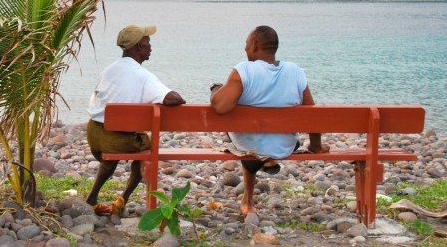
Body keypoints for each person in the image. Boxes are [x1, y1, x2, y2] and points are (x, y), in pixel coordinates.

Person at [209, 26, 329, 215]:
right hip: (285, 146)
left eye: (246, 43)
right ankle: (268, 159)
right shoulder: (295, 71)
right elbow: (311, 116)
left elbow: (220, 107)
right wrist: (316, 146)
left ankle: (248, 200)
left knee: (241, 127)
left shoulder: (244, 70)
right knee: (255, 133)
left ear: (255, 45)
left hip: (249, 145)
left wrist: (216, 90)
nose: (245, 48)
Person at [85, 24, 186, 216]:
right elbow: (173, 98)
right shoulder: (143, 76)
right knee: (146, 151)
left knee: (115, 150)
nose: (150, 46)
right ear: (139, 47)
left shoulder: (108, 71)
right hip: (116, 140)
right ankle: (123, 198)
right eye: (147, 42)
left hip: (94, 136)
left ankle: (92, 197)